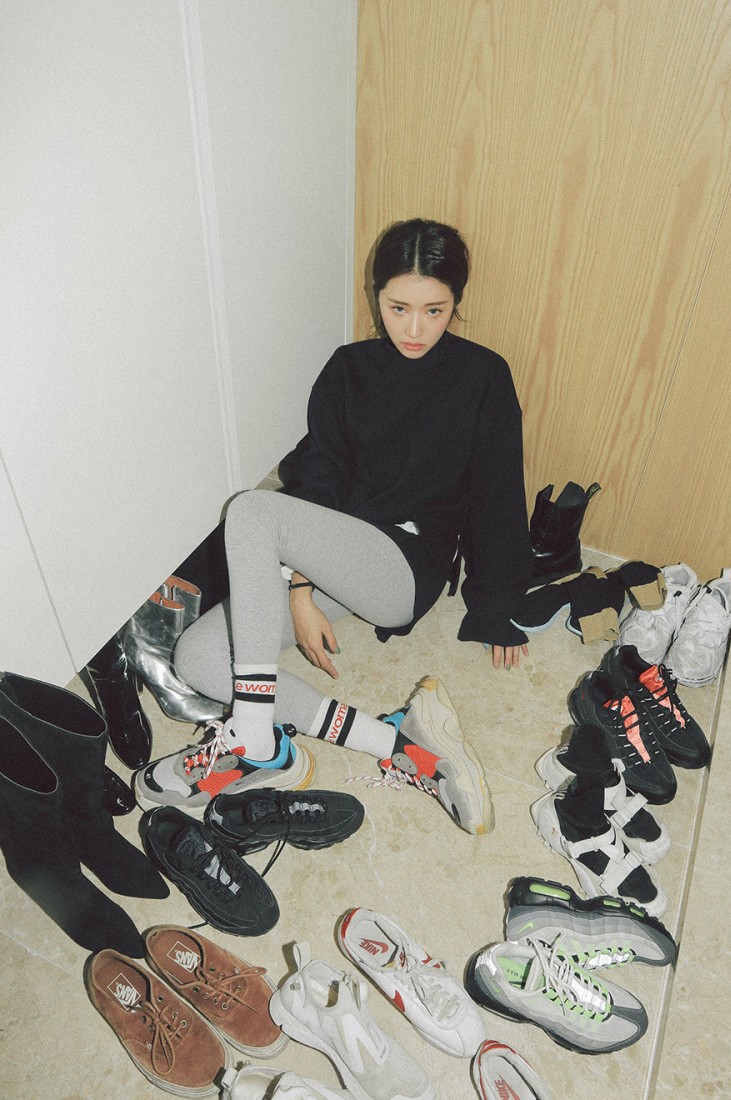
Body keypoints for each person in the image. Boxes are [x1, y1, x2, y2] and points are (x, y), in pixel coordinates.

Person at [134, 219, 532, 835]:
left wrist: (498, 602)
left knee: (252, 510)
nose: (415, 329)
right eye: (399, 308)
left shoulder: (483, 375)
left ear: (456, 303)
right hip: (333, 549)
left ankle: (251, 739)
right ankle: (389, 739)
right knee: (198, 657)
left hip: (402, 566)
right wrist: (300, 591)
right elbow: (319, 475)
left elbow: (498, 490)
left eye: (434, 310)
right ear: (377, 297)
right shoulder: (350, 367)